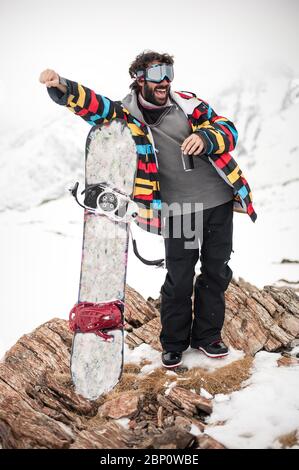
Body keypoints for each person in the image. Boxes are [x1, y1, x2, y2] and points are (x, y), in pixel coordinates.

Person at [39, 50, 256, 368]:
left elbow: (228, 129)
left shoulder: (188, 104)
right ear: (139, 79)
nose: (165, 79)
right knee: (180, 276)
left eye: (169, 71)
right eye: (157, 73)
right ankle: (173, 344)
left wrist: (206, 137)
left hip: (219, 201)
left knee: (216, 270)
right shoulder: (126, 115)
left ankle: (208, 338)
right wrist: (61, 86)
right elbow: (93, 106)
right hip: (181, 211)